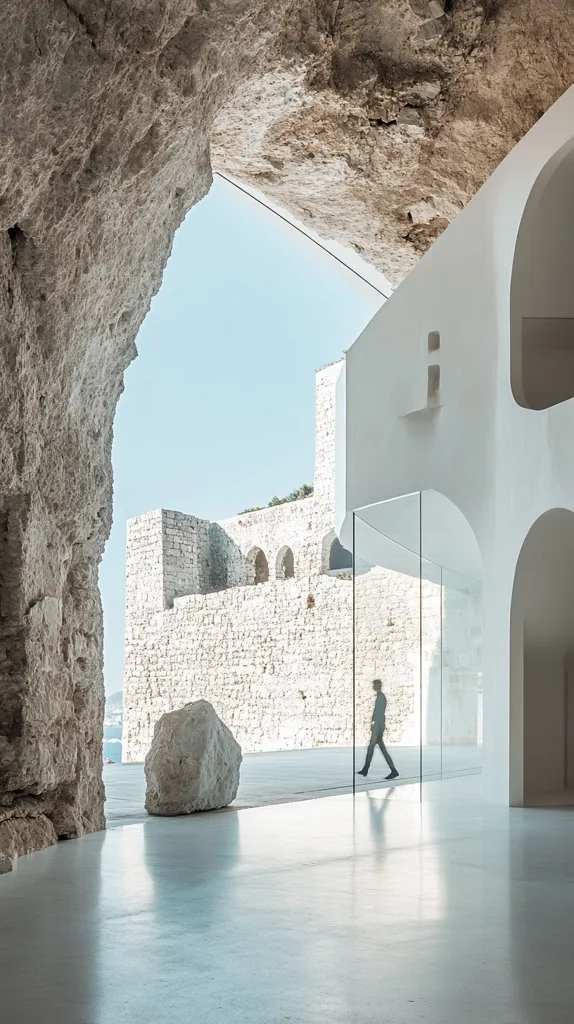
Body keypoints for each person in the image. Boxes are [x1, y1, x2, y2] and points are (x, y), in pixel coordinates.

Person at [357, 680, 399, 780]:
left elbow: (379, 713)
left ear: (377, 685)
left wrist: (376, 726)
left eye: (374, 685)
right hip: (378, 726)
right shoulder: (380, 697)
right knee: (377, 749)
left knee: (372, 748)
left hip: (378, 726)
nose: (373, 686)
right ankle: (367, 769)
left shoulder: (381, 697)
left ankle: (367, 769)